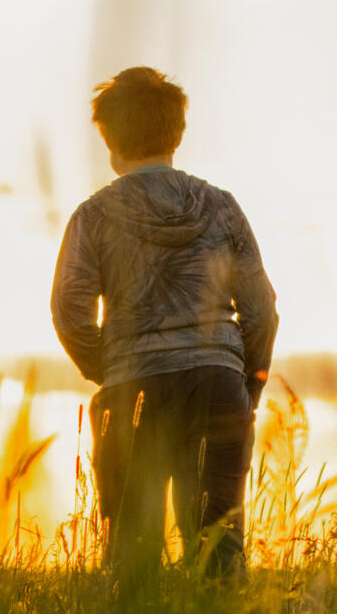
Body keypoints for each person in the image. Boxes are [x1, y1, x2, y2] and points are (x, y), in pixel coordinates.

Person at [51, 67, 277, 575]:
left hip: (132, 391)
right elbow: (261, 310)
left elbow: (69, 311)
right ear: (177, 132)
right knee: (219, 554)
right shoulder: (223, 208)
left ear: (108, 139)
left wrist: (113, 365)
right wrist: (246, 385)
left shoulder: (93, 215)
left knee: (130, 559)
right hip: (218, 385)